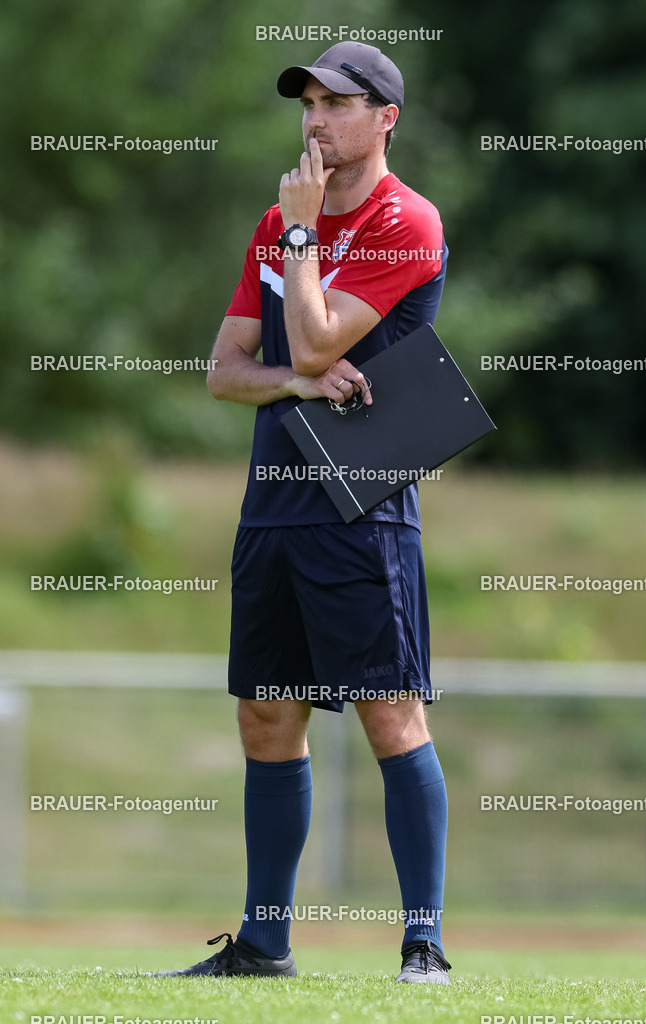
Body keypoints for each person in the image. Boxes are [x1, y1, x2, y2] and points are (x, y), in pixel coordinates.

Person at [154, 41, 450, 984]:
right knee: (266, 718)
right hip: (273, 505)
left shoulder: (407, 221)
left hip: (361, 507)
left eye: (337, 103)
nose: (316, 121)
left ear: (385, 118)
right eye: (308, 104)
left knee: (387, 712)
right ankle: (264, 944)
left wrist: (300, 237)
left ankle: (422, 946)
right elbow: (225, 373)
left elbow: (323, 337)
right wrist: (299, 385)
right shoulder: (278, 223)